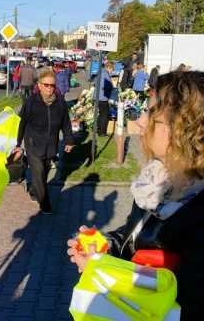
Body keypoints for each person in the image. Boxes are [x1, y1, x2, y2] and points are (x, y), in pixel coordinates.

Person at [67, 71, 204, 319]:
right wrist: (105, 246)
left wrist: (104, 273)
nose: (141, 121)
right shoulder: (155, 183)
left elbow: (183, 302)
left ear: (184, 127)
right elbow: (133, 236)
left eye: (151, 113)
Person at [13, 70, 74, 214]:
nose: (49, 88)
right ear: (39, 86)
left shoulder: (60, 103)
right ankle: (45, 203)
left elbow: (66, 123)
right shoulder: (31, 102)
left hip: (51, 144)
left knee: (44, 171)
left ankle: (35, 190)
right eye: (46, 85)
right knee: (38, 171)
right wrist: (17, 144)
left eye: (52, 85)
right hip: (33, 142)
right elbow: (21, 123)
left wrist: (69, 140)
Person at [98, 62, 114, 136]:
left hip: (99, 96)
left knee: (101, 114)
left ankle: (99, 130)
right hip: (103, 97)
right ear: (109, 67)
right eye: (112, 70)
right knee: (104, 115)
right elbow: (107, 85)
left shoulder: (101, 72)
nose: (112, 72)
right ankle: (102, 132)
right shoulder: (105, 74)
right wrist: (112, 87)